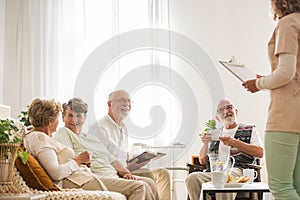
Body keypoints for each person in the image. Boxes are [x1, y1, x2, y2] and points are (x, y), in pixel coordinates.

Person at [23, 98, 146, 200]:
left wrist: (81, 162)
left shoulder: (41, 137)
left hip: (82, 176)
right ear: (50, 122)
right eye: (57, 119)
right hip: (78, 180)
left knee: (142, 183)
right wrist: (77, 161)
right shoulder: (40, 138)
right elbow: (56, 173)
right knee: (138, 187)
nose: (73, 120)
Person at [242, 1, 300, 199]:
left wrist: (258, 85)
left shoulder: (288, 23)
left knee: (281, 187)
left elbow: (286, 73)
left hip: (285, 115)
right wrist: (267, 78)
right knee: (298, 186)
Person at [53, 98, 159, 200]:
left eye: (79, 116)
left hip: (111, 174)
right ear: (63, 118)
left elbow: (111, 159)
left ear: (84, 118)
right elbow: (67, 157)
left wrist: (126, 173)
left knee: (150, 183)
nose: (74, 120)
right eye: (70, 115)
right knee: (140, 186)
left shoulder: (91, 138)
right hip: (95, 176)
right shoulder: (64, 133)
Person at [87, 90, 171, 200]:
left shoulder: (123, 127)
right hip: (114, 173)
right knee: (149, 179)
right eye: (122, 100)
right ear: (109, 104)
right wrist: (124, 170)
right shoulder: (100, 127)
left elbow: (122, 157)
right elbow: (98, 161)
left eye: (128, 101)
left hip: (126, 169)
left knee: (162, 174)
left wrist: (136, 162)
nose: (126, 104)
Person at [185, 99, 264, 200]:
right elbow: (202, 160)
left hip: (237, 171)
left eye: (229, 107)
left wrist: (234, 142)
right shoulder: (215, 133)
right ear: (217, 118)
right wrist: (205, 144)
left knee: (224, 178)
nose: (226, 111)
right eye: (221, 110)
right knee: (192, 178)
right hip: (214, 172)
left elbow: (260, 152)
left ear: (236, 111)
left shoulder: (250, 129)